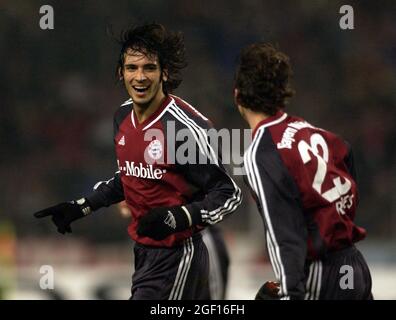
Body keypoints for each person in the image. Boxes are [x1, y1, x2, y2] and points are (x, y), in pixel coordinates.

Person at [34, 23, 241, 300]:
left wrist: (178, 216)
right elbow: (130, 178)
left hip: (177, 257)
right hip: (144, 254)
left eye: (149, 68)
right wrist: (82, 206)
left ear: (164, 73)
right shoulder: (122, 117)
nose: (139, 77)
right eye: (132, 68)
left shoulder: (181, 130)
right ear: (121, 73)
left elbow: (228, 193)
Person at [233, 43, 372, 300]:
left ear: (237, 97)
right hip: (354, 264)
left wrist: (288, 291)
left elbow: (283, 234)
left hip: (319, 274)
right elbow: (346, 151)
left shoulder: (260, 152)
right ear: (281, 94)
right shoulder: (308, 129)